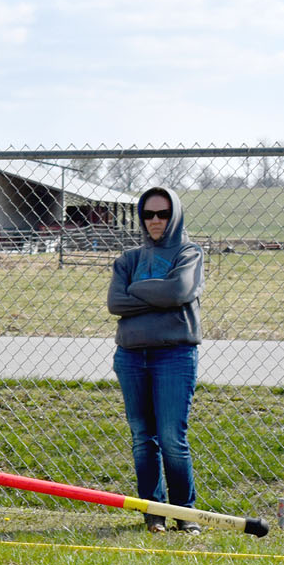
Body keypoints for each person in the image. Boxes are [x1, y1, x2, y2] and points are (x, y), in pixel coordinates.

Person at [107, 186, 204, 535]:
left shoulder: (189, 253)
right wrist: (159, 294)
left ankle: (185, 513)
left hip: (174, 356)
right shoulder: (128, 260)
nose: (155, 221)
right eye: (148, 214)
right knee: (142, 437)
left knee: (171, 437)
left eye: (163, 214)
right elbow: (116, 303)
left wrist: (137, 290)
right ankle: (153, 512)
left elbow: (179, 291)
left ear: (174, 215)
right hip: (131, 357)